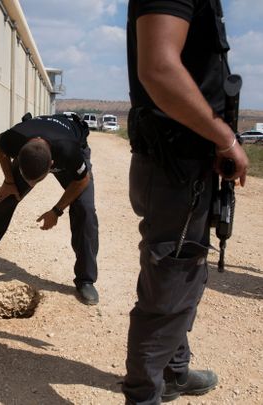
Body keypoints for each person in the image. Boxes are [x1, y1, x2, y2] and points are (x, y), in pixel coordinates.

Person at [122, 1, 249, 404]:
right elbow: (159, 69)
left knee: (179, 276)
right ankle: (144, 396)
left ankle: (174, 372)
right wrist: (224, 138)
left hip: (180, 163)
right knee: (169, 287)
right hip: (176, 165)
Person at [0, 112, 100, 305]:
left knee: (85, 210)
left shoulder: (69, 152)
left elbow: (82, 180)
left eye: (36, 181)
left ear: (52, 166)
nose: (31, 185)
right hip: (35, 146)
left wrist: (57, 210)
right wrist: (10, 181)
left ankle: (85, 279)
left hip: (68, 142)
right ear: (18, 154)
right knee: (6, 198)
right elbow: (0, 143)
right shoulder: (14, 138)